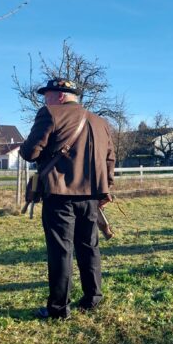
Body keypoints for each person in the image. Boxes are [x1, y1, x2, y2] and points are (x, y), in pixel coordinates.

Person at [20, 78, 115, 319]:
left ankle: (59, 308)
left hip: (59, 194)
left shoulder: (49, 114)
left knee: (60, 251)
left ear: (61, 95)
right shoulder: (100, 122)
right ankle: (92, 299)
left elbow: (30, 152)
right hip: (91, 196)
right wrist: (105, 189)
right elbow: (110, 159)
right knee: (89, 247)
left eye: (47, 94)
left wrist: (28, 148)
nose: (45, 99)